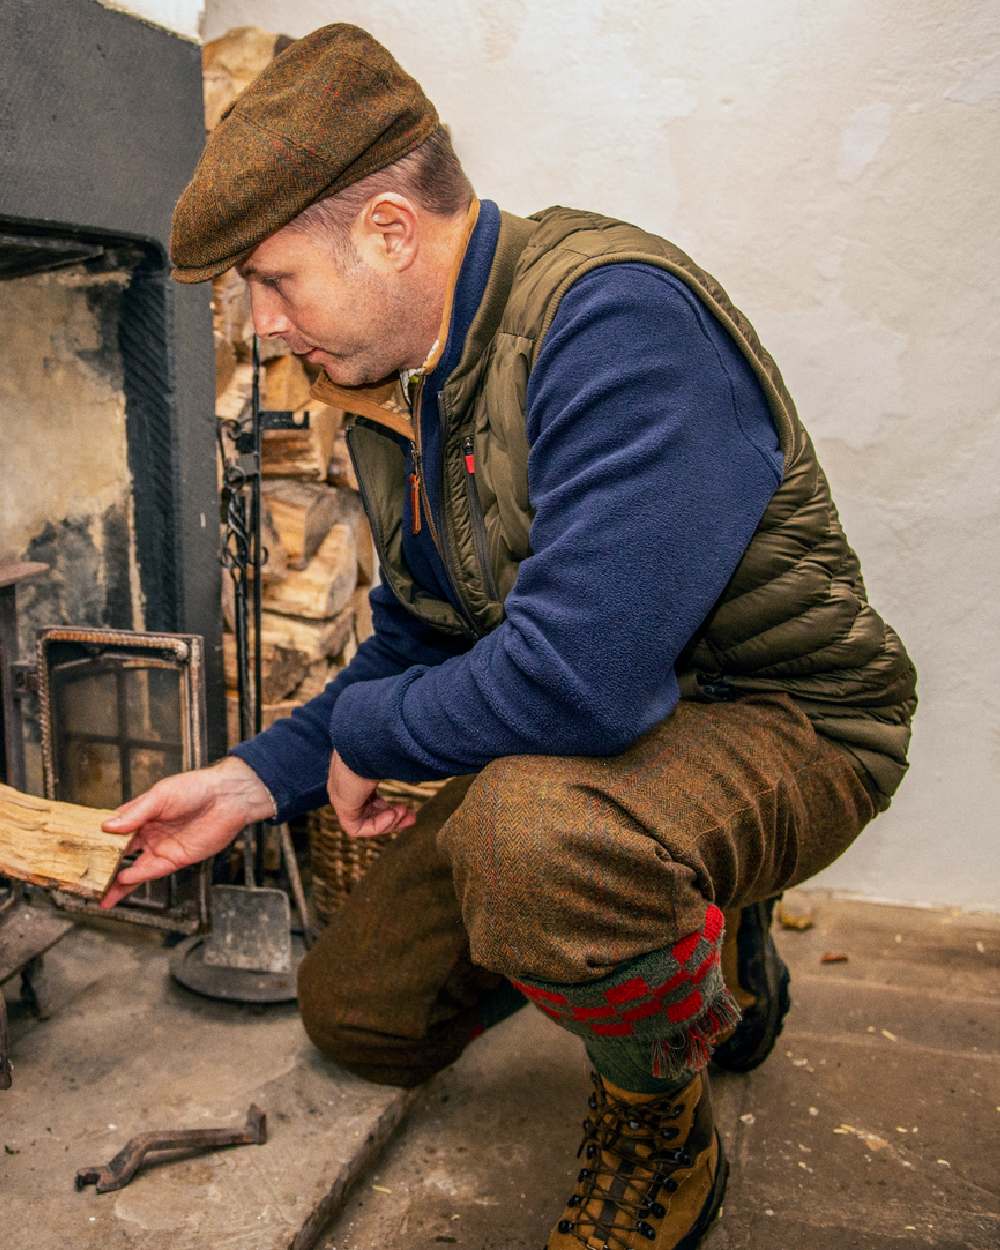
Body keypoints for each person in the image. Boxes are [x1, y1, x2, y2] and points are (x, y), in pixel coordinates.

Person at [99, 24, 916, 1249]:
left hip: (784, 721)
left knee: (529, 838)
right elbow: (414, 640)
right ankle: (675, 930)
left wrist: (375, 733)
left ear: (385, 229)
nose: (262, 327)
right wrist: (247, 781)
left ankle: (659, 1124)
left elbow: (578, 683)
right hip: (607, 740)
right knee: (362, 1016)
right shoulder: (400, 399)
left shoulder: (616, 321)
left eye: (273, 281)